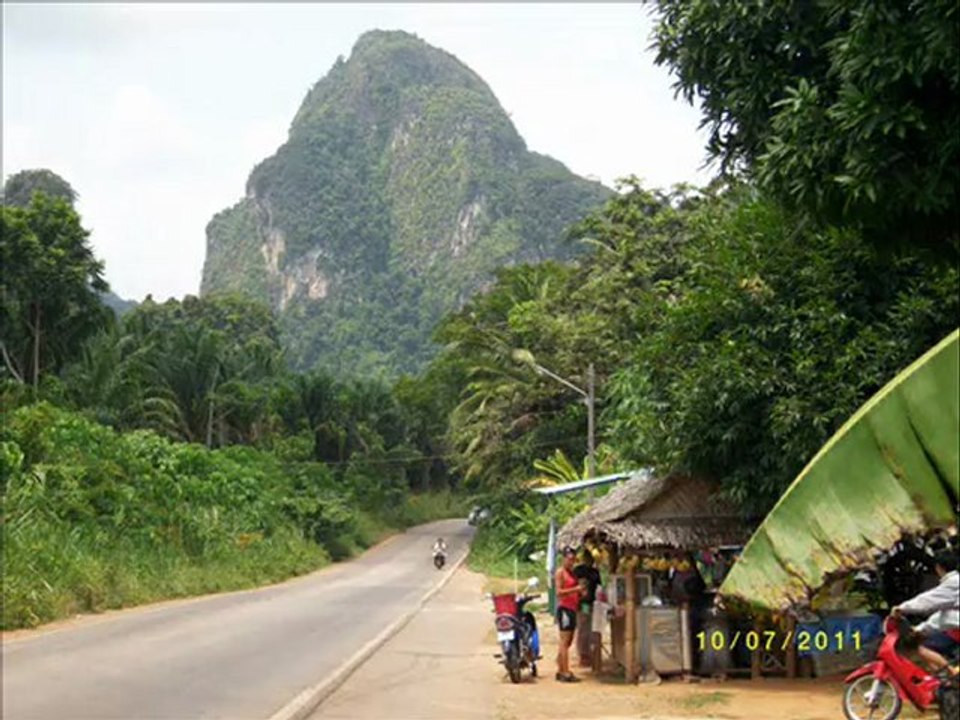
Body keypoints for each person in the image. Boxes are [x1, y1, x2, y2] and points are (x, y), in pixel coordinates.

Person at [892, 548, 959, 672]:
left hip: (955, 630)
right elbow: (943, 614)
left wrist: (902, 608)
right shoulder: (954, 584)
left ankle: (952, 673)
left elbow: (928, 601)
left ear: (938, 567)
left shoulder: (953, 583)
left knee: (922, 649)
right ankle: (946, 679)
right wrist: (921, 628)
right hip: (953, 629)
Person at [555, 546, 582, 682]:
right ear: (564, 558)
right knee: (564, 641)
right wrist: (575, 589)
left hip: (572, 608)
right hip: (565, 608)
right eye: (569, 559)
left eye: (573, 560)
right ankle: (565, 671)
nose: (571, 562)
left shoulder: (572, 573)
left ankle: (560, 668)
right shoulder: (561, 573)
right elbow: (558, 592)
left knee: (569, 640)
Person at [573, 550, 601, 668]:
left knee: (590, 629)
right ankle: (583, 654)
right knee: (584, 628)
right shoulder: (579, 570)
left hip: (592, 602)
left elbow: (599, 586)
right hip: (583, 603)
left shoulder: (594, 572)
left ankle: (589, 653)